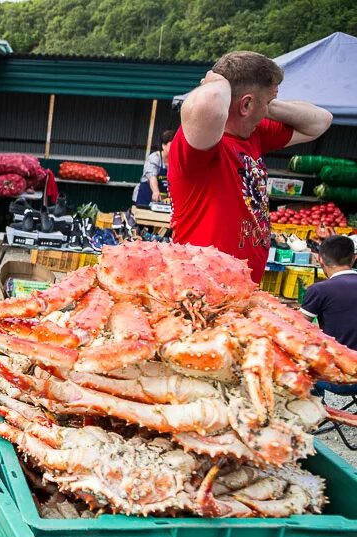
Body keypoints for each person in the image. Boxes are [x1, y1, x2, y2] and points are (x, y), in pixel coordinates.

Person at [169, 51, 333, 284]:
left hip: (243, 289)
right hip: (201, 292)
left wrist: (268, 105)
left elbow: (321, 121)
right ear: (245, 105)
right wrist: (219, 81)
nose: (267, 110)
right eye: (267, 102)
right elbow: (208, 103)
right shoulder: (201, 144)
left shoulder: (254, 134)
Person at [300, 234, 357, 353]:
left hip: (338, 361)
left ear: (320, 259)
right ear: (354, 259)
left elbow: (299, 326)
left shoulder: (319, 290)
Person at [132, 130, 175, 207]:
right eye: (172, 146)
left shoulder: (176, 161)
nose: (175, 148)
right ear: (163, 146)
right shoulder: (154, 158)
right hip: (145, 197)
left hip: (163, 201)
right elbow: (152, 177)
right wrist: (155, 191)